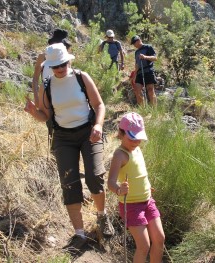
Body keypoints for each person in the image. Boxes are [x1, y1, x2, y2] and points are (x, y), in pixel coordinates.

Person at [24, 43, 115, 253]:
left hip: (88, 132)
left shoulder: (82, 77)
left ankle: (102, 217)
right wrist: (32, 112)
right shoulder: (48, 85)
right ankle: (79, 234)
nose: (60, 69)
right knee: (69, 183)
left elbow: (99, 105)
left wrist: (99, 125)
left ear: (69, 61)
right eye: (55, 66)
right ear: (50, 67)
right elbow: (45, 116)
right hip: (63, 138)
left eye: (63, 64)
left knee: (94, 176)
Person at [108, 112, 165, 263]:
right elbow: (110, 182)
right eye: (132, 138)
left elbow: (139, 173)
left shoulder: (137, 149)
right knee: (144, 246)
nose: (136, 142)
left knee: (159, 239)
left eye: (139, 138)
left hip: (147, 201)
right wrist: (119, 189)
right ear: (121, 133)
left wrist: (146, 187)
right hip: (131, 206)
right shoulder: (120, 155)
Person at [31, 29, 72, 106]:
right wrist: (37, 99)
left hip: (64, 95)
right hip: (47, 95)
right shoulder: (42, 57)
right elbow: (35, 79)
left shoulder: (67, 59)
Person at [130, 35, 157, 106]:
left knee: (150, 90)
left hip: (148, 71)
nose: (134, 45)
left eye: (134, 43)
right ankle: (142, 109)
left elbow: (155, 58)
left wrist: (145, 57)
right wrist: (134, 75)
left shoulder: (148, 47)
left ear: (139, 40)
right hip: (139, 73)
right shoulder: (136, 52)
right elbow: (137, 64)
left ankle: (154, 110)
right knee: (137, 90)